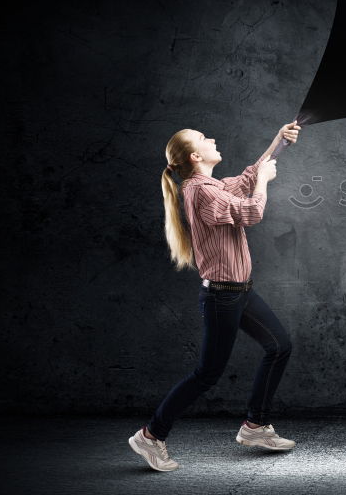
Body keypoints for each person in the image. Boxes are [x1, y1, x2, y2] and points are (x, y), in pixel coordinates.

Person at [128, 121, 301, 472]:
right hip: (223, 296)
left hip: (240, 292)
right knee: (206, 374)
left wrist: (279, 141)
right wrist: (265, 183)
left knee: (279, 346)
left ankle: (255, 426)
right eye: (205, 139)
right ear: (195, 156)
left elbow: (250, 176)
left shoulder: (213, 186)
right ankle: (151, 435)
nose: (213, 139)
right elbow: (252, 211)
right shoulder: (201, 192)